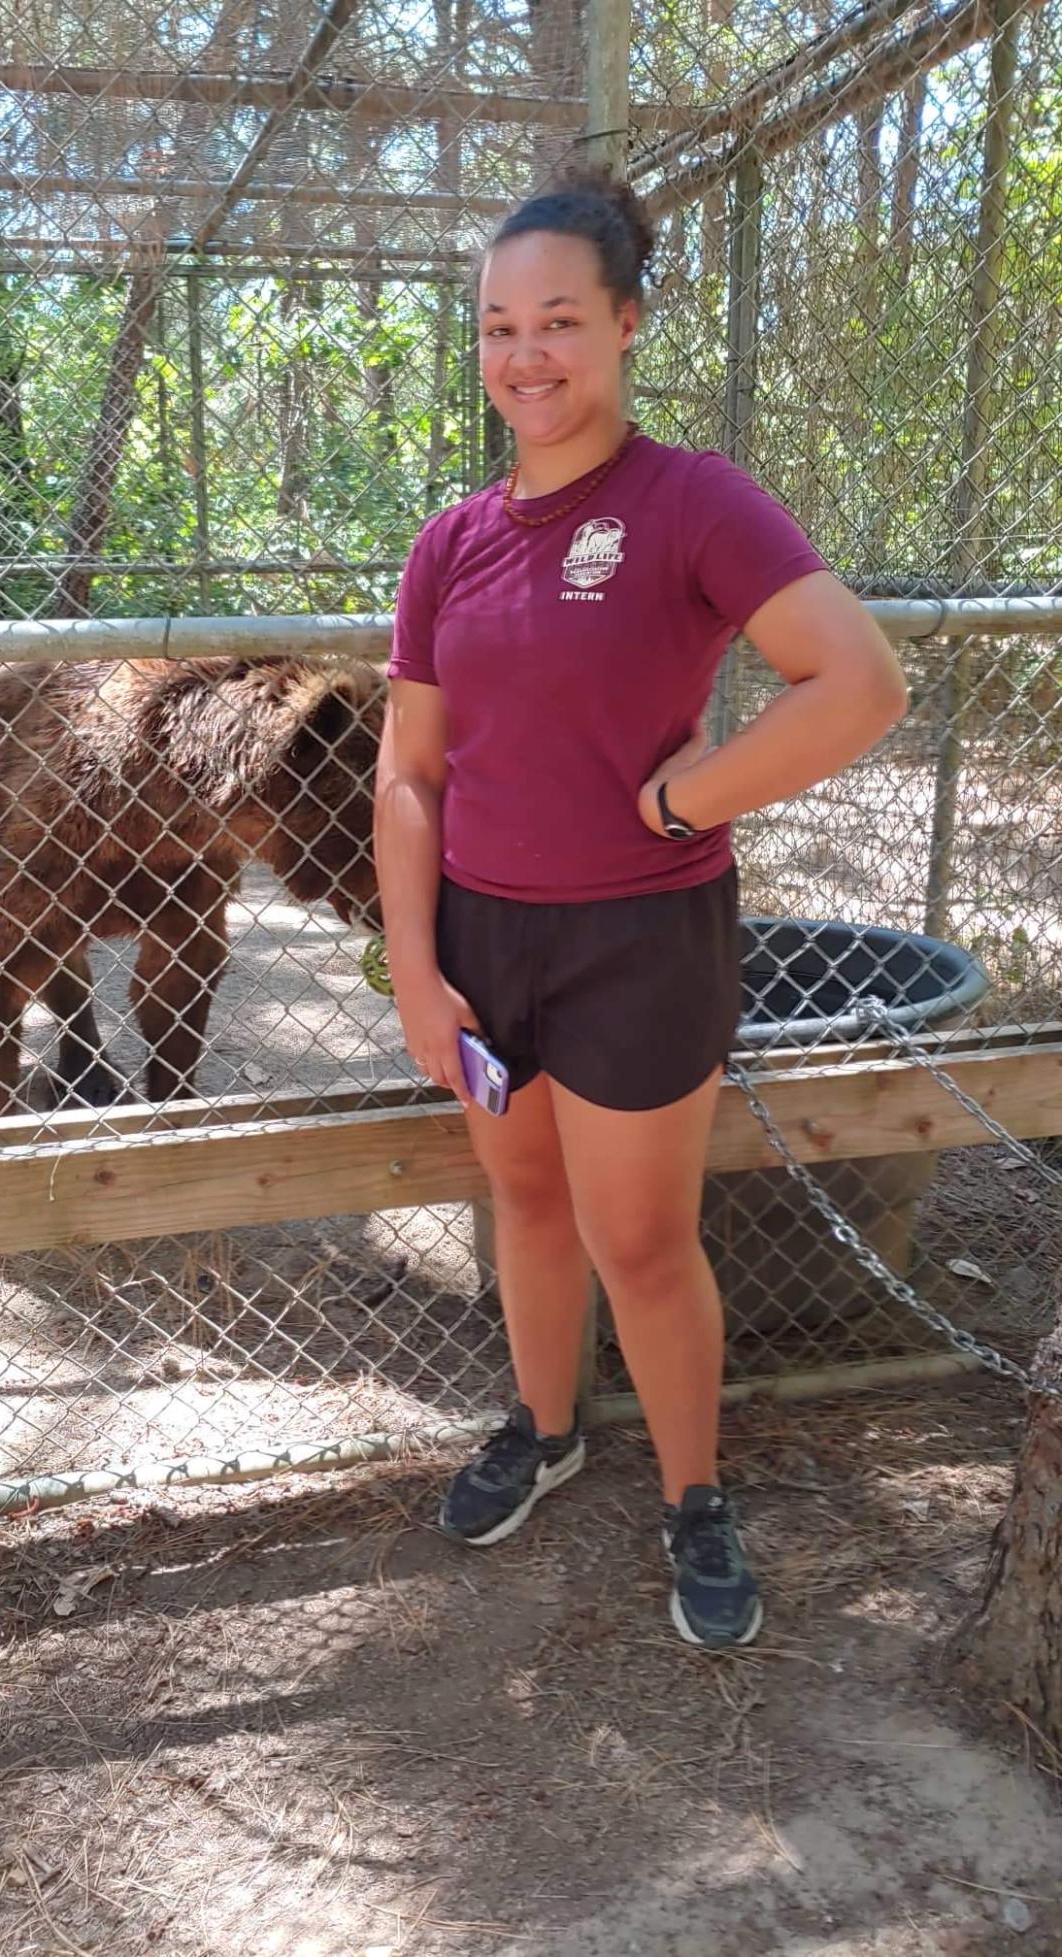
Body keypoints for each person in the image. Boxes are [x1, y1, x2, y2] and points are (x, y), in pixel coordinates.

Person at [372, 170, 908, 1649]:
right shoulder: (450, 542)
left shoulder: (690, 500)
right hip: (486, 940)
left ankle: (693, 1494)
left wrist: (689, 797)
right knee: (527, 1205)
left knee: (645, 1242)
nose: (524, 354)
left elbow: (860, 682)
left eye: (556, 320)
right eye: (496, 326)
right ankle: (545, 1428)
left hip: (640, 943)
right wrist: (416, 968)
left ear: (623, 326)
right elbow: (411, 772)